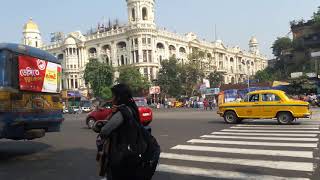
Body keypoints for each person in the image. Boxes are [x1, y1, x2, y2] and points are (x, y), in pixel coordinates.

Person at [98, 84, 159, 180]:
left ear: (119, 97)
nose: (112, 98)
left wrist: (112, 115)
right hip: (133, 151)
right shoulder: (131, 107)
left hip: (122, 155)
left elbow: (104, 131)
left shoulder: (122, 112)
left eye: (113, 95)